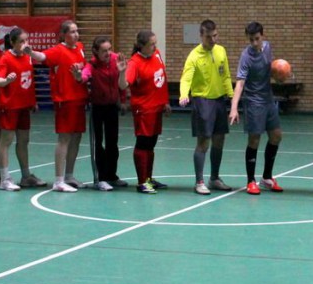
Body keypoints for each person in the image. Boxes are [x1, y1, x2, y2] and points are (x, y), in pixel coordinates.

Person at [31, 20, 89, 191]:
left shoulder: (79, 48)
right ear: (63, 35)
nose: (76, 34)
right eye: (72, 32)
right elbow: (42, 57)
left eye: (77, 31)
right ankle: (58, 180)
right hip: (65, 100)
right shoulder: (58, 50)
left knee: (77, 137)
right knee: (64, 138)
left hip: (79, 98)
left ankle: (69, 176)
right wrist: (30, 52)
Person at [179, 19, 234, 195]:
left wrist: (232, 96)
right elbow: (186, 78)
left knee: (219, 140)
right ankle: (199, 182)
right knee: (203, 142)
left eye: (215, 36)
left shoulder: (221, 51)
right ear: (201, 36)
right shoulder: (194, 56)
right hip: (202, 101)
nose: (213, 40)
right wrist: (184, 94)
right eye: (209, 37)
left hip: (219, 101)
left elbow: (226, 75)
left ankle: (214, 178)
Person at [229, 21, 284, 195]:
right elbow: (240, 83)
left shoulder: (267, 47)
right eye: (251, 39)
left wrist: (279, 76)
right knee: (254, 140)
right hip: (253, 102)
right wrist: (234, 108)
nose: (254, 42)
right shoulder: (246, 56)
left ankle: (267, 178)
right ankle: (251, 181)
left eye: (257, 39)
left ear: (262, 36)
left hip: (268, 100)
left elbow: (270, 70)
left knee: (276, 136)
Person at [0, 28, 44, 192]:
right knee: (6, 141)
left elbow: (29, 80)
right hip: (10, 106)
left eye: (26, 40)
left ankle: (26, 176)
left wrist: (33, 101)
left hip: (24, 106)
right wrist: (6, 81)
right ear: (13, 43)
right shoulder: (5, 58)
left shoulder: (28, 57)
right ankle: (4, 179)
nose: (25, 44)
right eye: (21, 41)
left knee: (24, 140)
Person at [124, 30, 171, 194]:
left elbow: (161, 79)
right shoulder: (134, 63)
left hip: (157, 107)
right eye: (151, 44)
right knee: (143, 143)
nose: (154, 47)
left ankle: (149, 178)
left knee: (152, 143)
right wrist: (121, 72)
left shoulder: (156, 54)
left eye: (155, 43)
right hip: (143, 109)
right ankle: (142, 182)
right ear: (141, 46)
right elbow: (124, 84)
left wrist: (165, 101)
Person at [84, 36, 125, 190]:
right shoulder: (92, 64)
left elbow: (122, 82)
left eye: (109, 49)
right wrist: (80, 76)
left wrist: (123, 100)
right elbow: (85, 74)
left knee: (112, 143)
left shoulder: (116, 59)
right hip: (97, 107)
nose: (108, 53)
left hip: (112, 107)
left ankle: (111, 176)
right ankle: (100, 179)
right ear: (96, 52)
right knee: (98, 143)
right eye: (104, 51)